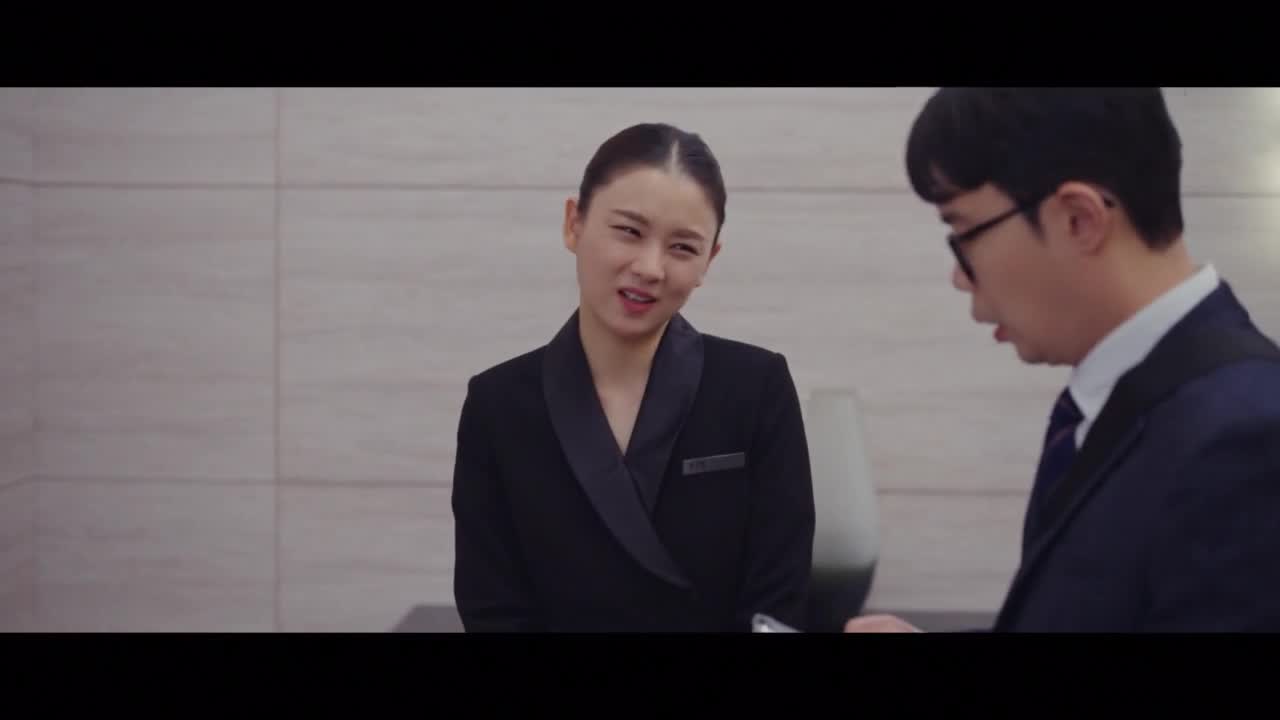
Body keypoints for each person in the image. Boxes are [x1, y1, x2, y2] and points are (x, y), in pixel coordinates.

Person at [846, 88, 1280, 633]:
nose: (959, 277)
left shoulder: (1246, 440)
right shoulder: (1128, 401)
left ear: (1079, 219)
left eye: (962, 234)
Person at [451, 122, 816, 632]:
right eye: (629, 231)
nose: (650, 268)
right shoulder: (497, 405)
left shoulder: (757, 387)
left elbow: (777, 601)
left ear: (709, 260)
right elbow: (492, 609)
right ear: (574, 224)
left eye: (682, 247)